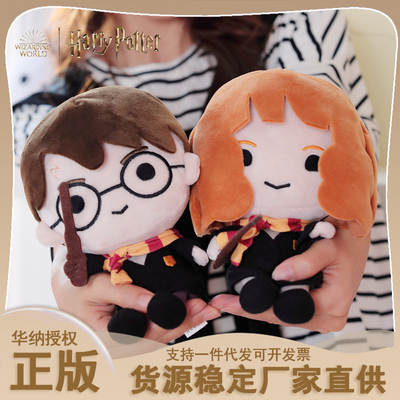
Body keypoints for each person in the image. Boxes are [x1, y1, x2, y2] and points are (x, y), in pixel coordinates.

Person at [12, 9, 392, 346]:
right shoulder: (42, 73)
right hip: (166, 361)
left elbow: (344, 145)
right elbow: (58, 210)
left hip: (326, 337)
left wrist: (349, 231)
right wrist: (71, 275)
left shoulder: (299, 20)